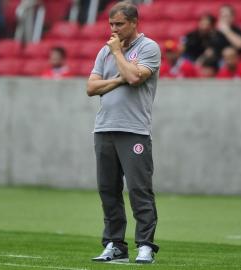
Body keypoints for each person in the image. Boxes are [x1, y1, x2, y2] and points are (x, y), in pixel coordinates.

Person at [86, 1, 160, 264]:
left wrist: (118, 54)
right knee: (108, 189)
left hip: (134, 130)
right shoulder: (104, 51)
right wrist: (117, 79)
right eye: (111, 24)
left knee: (139, 189)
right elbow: (91, 87)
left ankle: (146, 245)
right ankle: (115, 244)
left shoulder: (148, 48)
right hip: (104, 127)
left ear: (133, 22)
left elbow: (134, 78)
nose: (114, 29)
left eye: (119, 24)